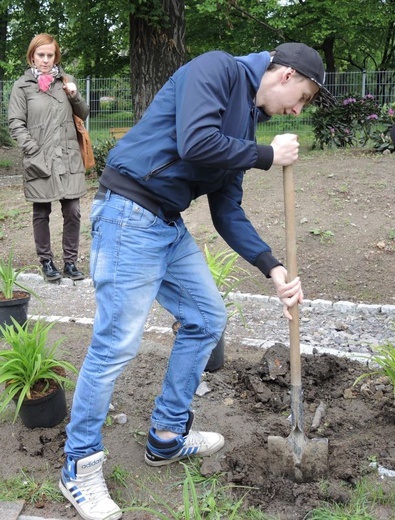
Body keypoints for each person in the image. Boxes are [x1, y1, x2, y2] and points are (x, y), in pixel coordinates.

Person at [60, 42, 335, 520]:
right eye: (304, 97)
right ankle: (78, 467)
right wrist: (267, 155)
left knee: (207, 318)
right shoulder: (216, 70)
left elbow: (228, 208)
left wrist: (272, 267)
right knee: (116, 345)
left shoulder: (246, 120)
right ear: (286, 75)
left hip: (166, 222)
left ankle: (166, 436)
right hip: (129, 213)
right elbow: (195, 143)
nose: (296, 109)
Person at [8, 33, 89, 282]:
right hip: (40, 158)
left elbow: (83, 114)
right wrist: (32, 149)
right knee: (41, 211)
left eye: (50, 55)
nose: (45, 60)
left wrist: (74, 94)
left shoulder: (67, 82)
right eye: (40, 55)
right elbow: (15, 122)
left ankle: (71, 263)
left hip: (67, 159)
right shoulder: (22, 86)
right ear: (32, 56)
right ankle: (46, 261)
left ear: (56, 57)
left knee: (73, 211)